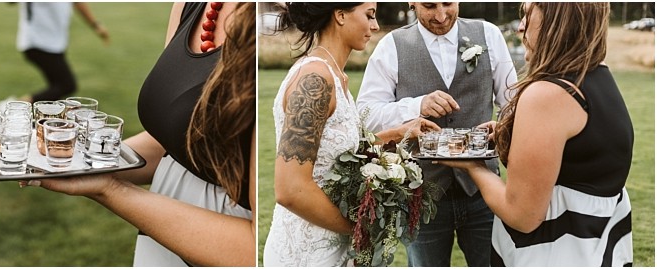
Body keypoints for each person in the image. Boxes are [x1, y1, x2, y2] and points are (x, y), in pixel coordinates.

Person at [20, 2, 256, 266]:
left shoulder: (276, 25)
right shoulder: (189, 5)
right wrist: (77, 162)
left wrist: (109, 189)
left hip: (218, 241)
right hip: (162, 232)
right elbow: (175, 142)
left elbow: (255, 250)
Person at [436, 2, 633, 266]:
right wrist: (512, 135)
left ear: (556, 20)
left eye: (528, 15)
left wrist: (473, 166)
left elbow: (521, 216)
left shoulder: (547, 95)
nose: (520, 27)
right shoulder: (596, 76)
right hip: (597, 249)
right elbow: (582, 152)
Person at [262, 3, 439, 266]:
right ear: (340, 15)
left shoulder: (336, 77)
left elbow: (343, 152)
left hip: (335, 247)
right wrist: (357, 226)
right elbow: (291, 189)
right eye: (369, 15)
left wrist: (401, 133)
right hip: (307, 252)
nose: (375, 26)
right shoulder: (315, 80)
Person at [356, 2, 518, 267]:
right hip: (421, 196)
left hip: (483, 192)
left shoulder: (488, 34)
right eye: (430, 6)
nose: (441, 16)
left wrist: (501, 127)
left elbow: (513, 104)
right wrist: (415, 106)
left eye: (448, 3)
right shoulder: (391, 46)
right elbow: (366, 114)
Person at [1, 2, 110, 107]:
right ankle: (15, 108)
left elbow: (78, 3)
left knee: (57, 88)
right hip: (37, 41)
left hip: (55, 41)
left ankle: (40, 118)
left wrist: (96, 25)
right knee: (66, 85)